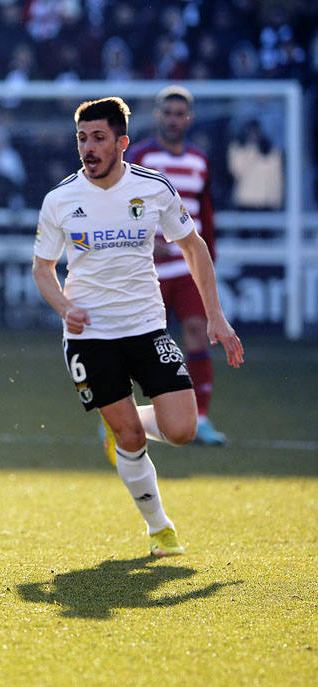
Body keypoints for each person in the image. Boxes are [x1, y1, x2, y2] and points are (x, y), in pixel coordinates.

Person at [32, 97, 243, 558]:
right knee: (130, 437)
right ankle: (159, 529)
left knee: (183, 430)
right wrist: (64, 306)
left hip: (146, 328)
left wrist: (215, 316)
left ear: (122, 142)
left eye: (99, 138)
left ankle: (118, 423)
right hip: (90, 337)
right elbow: (43, 268)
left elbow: (194, 247)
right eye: (82, 138)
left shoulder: (153, 189)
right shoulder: (61, 199)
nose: (88, 148)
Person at [125, 86, 226, 445]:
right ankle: (125, 418)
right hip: (147, 269)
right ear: (157, 116)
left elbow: (206, 215)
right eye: (167, 112)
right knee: (141, 344)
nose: (173, 119)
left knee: (199, 331)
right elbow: (123, 208)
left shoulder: (199, 161)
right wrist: (147, 242)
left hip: (187, 270)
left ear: (189, 118)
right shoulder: (140, 157)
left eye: (179, 113)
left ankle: (200, 419)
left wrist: (208, 259)